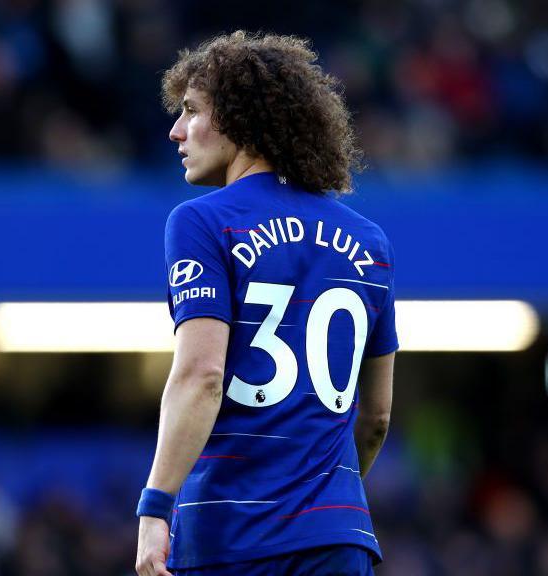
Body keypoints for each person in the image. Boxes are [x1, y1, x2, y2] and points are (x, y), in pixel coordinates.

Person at [135, 31, 397, 576]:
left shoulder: (202, 221)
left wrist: (155, 507)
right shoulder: (370, 242)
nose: (175, 130)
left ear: (239, 119)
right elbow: (376, 417)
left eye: (190, 112)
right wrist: (318, 503)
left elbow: (202, 376)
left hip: (232, 537)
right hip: (339, 539)